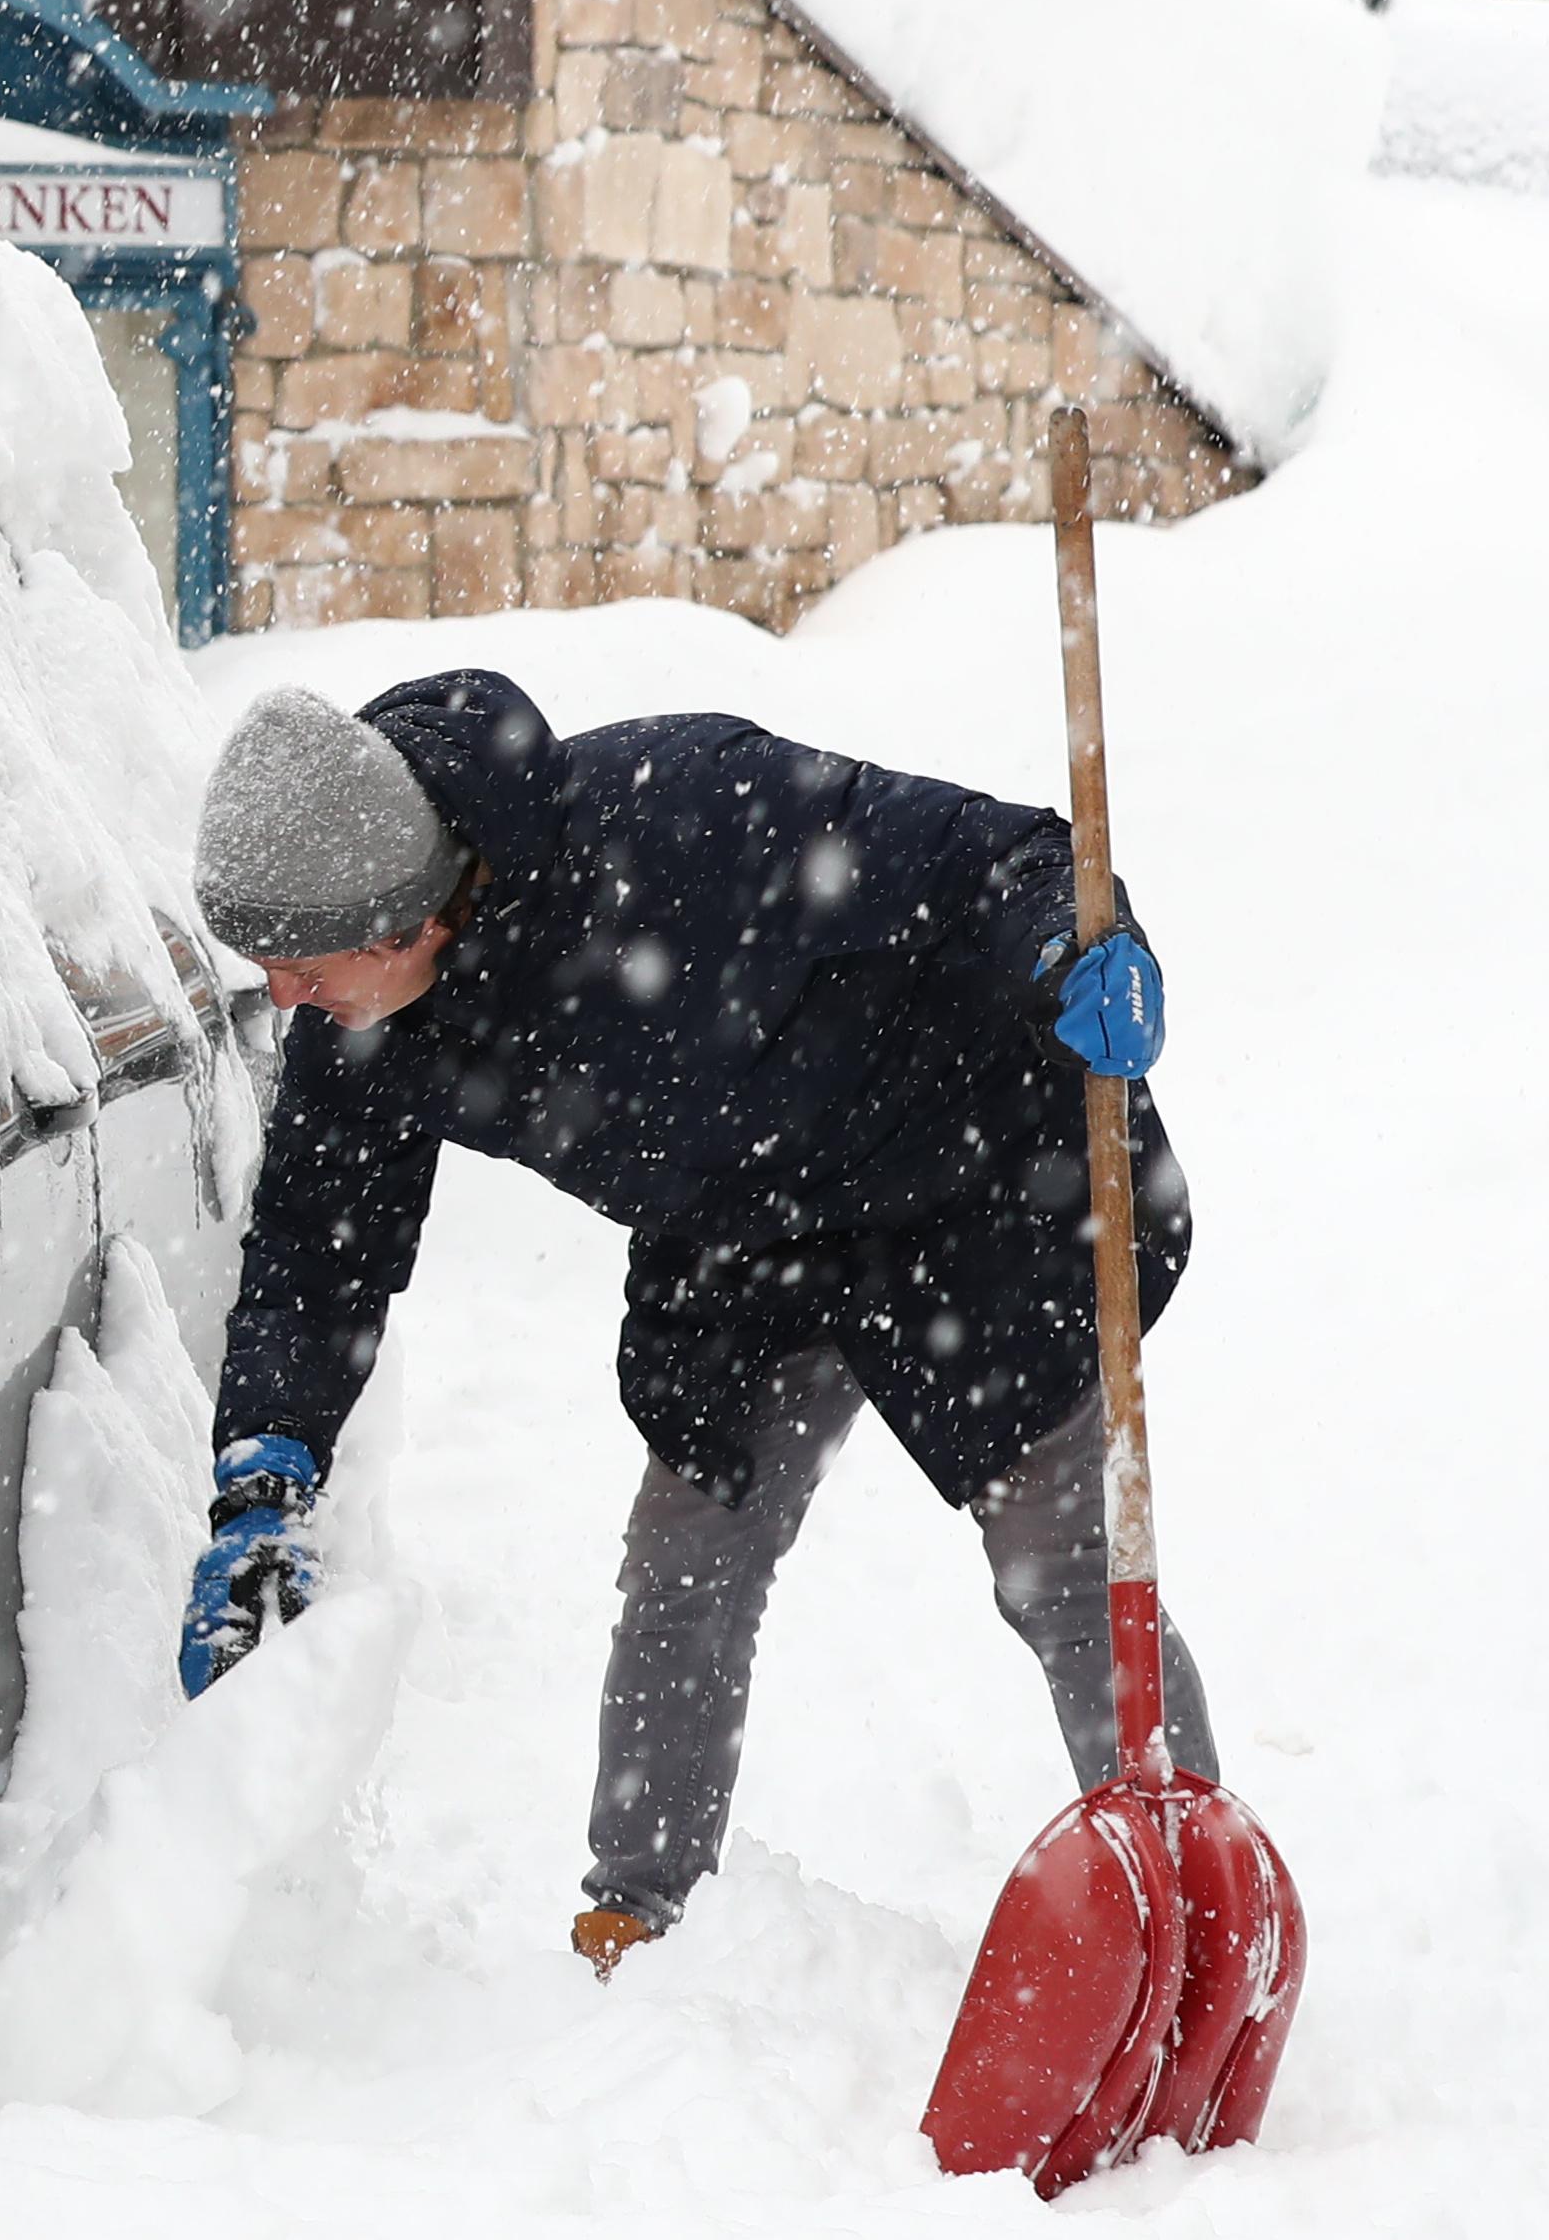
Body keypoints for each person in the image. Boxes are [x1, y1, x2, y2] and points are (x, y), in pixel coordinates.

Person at [175, 670, 1213, 1976]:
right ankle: (638, 1922)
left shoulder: (687, 811)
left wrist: (1075, 941)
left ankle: (1183, 1896)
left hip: (967, 1186)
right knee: (687, 1555)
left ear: (390, 923)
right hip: (746, 1242)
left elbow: (989, 862)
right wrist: (266, 1468)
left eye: (295, 961)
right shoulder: (363, 1032)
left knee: (1066, 1566)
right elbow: (318, 1255)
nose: (280, 995)